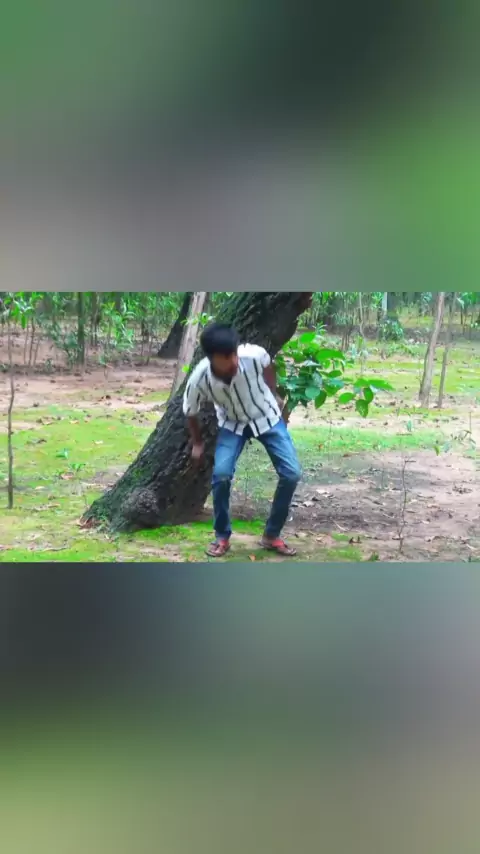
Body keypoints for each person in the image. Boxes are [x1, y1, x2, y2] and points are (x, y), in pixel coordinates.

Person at [183, 323, 302, 557]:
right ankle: (222, 536)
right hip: (232, 424)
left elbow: (268, 365)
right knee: (221, 475)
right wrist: (197, 443)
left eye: (234, 353)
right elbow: (190, 411)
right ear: (212, 358)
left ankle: (271, 535)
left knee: (291, 473)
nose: (234, 360)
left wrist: (274, 395)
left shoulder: (253, 355)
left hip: (267, 417)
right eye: (226, 357)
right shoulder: (199, 378)